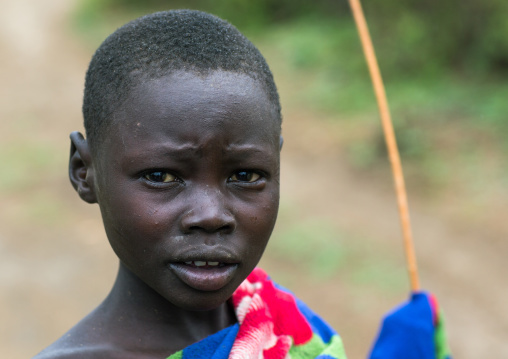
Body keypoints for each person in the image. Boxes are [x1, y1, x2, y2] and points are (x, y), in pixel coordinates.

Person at [34, 9, 451, 359]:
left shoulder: (283, 325)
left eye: (245, 176)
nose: (212, 216)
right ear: (84, 171)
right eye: (161, 177)